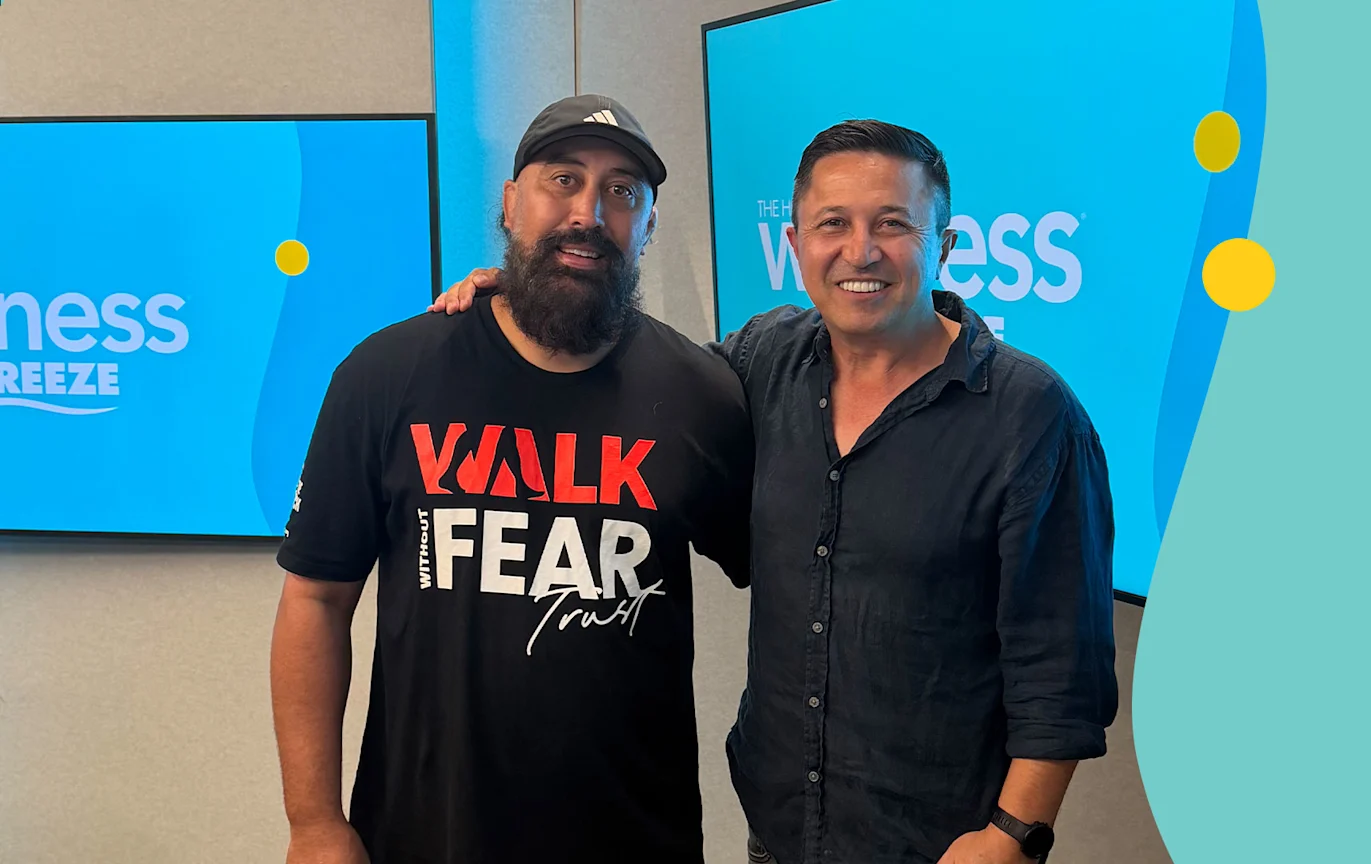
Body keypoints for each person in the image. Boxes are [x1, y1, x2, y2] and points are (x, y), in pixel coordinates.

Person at [434, 119, 1118, 864]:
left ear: (946, 248)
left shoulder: (1031, 414)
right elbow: (636, 389)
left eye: (894, 224)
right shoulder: (764, 360)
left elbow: (1062, 668)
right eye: (834, 224)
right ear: (795, 247)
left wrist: (1015, 836)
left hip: (944, 845)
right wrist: (541, 292)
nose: (861, 252)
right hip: (780, 832)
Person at [270, 94, 754, 864]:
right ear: (510, 203)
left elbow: (800, 584)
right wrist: (315, 821)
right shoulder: (388, 374)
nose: (588, 211)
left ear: (649, 224)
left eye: (622, 192)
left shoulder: (704, 394)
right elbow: (315, 600)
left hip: (634, 838)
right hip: (421, 834)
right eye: (562, 179)